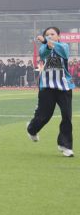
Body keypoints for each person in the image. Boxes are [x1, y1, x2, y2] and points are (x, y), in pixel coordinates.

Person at [27, 27, 74, 157]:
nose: (50, 36)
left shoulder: (64, 46)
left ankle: (65, 145)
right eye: (47, 34)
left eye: (52, 34)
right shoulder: (43, 48)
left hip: (64, 87)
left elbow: (63, 53)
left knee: (67, 116)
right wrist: (45, 44)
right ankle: (32, 129)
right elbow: (44, 54)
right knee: (44, 115)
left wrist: (46, 41)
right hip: (47, 87)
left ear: (59, 36)